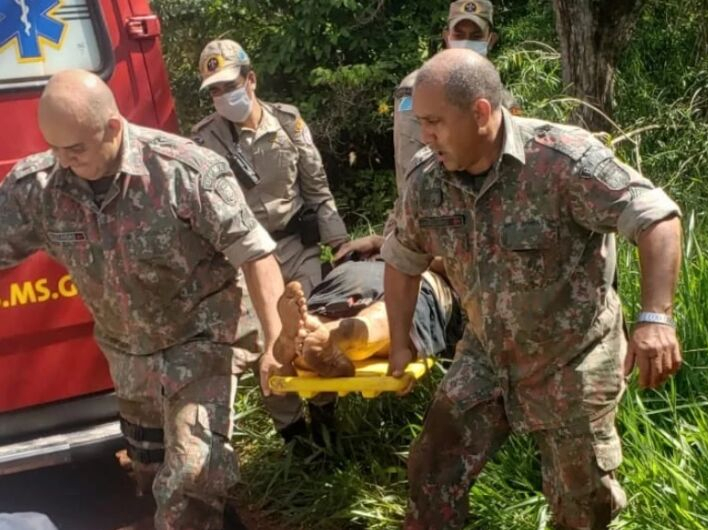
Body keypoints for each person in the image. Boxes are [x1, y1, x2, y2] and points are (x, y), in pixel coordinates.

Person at [380, 49, 684, 530]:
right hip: (487, 351)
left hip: (574, 355)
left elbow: (658, 218)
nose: (425, 134)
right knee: (432, 468)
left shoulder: (562, 161)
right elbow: (401, 261)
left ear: (480, 112)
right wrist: (400, 342)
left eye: (435, 121)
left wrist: (656, 318)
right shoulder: (427, 180)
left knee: (581, 502)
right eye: (421, 122)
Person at [0, 70, 285, 530]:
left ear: (112, 128)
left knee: (190, 477)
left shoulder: (183, 171)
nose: (64, 162)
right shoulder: (40, 187)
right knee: (157, 478)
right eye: (54, 149)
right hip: (129, 358)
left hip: (201, 340)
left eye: (76, 150)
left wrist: (276, 342)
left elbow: (256, 254)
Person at [191, 39, 350, 445]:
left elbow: (317, 188)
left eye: (230, 85)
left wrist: (341, 245)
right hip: (247, 260)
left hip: (298, 246)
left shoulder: (288, 122)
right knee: (271, 342)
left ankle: (327, 422)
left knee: (314, 331)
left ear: (251, 79)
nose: (223, 96)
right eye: (214, 90)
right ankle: (294, 438)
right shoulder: (203, 141)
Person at [335, 0, 519, 262]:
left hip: (491, 227)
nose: (466, 42)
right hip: (434, 228)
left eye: (476, 36)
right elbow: (412, 172)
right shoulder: (419, 89)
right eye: (459, 34)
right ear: (446, 37)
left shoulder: (503, 98)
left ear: (491, 39)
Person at [271, 260, 460, 378]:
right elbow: (451, 262)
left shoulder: (400, 225)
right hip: (415, 277)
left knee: (313, 328)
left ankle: (302, 337)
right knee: (387, 315)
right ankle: (345, 333)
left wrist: (382, 243)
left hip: (352, 271)